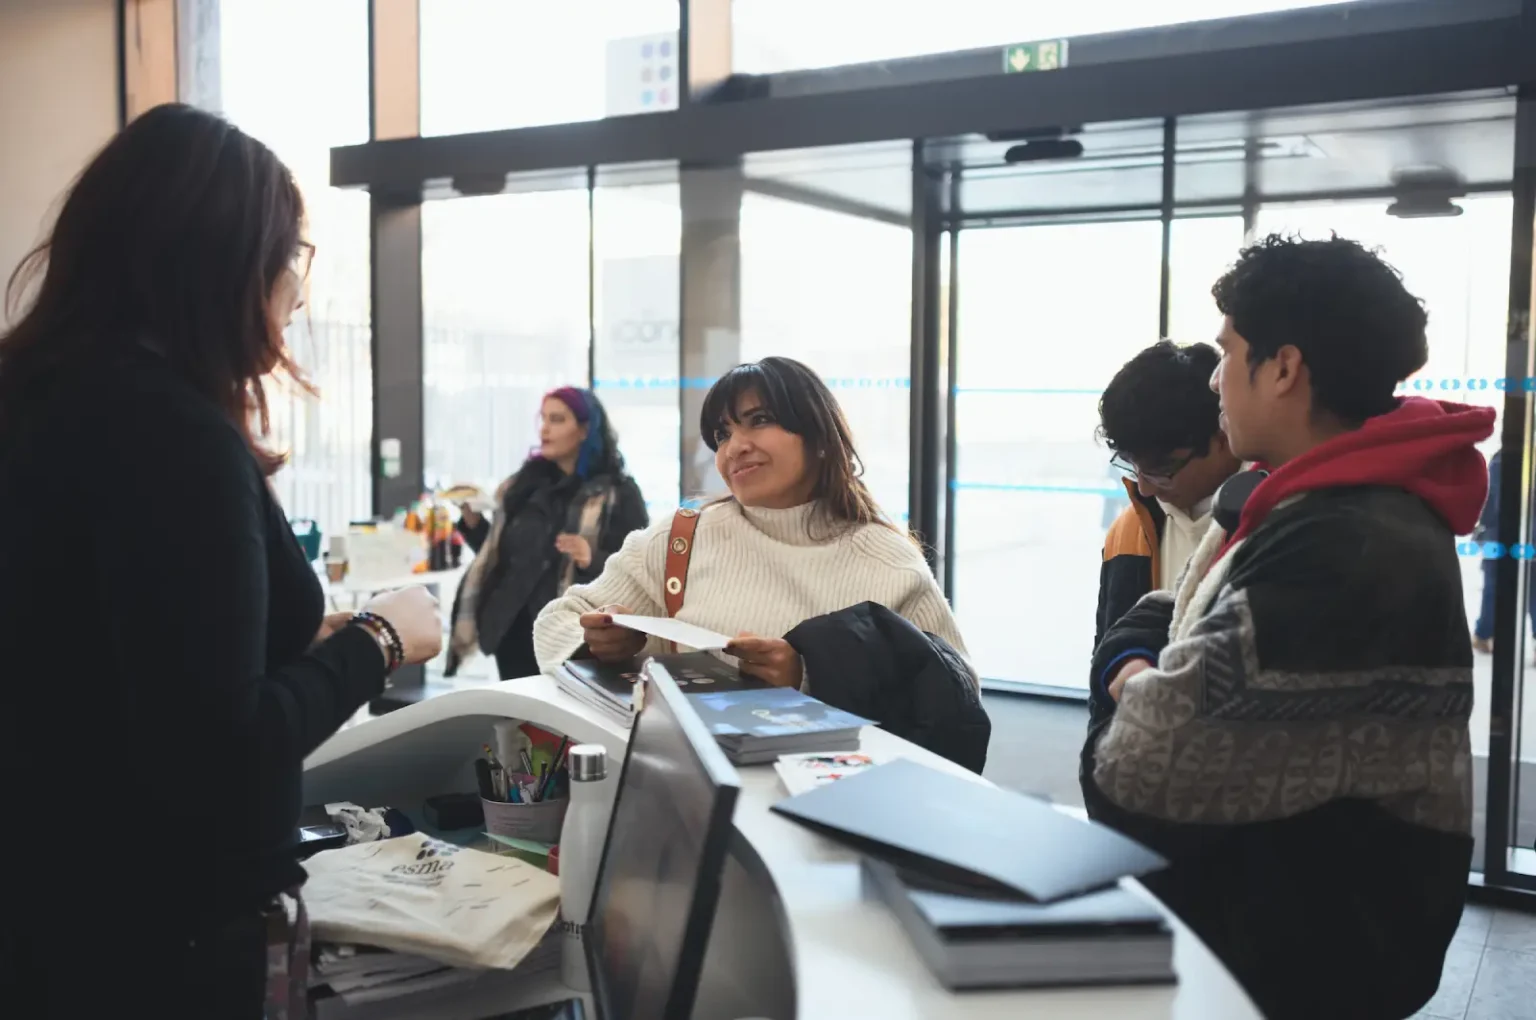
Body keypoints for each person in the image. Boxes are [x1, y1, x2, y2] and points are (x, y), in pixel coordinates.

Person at [0, 104, 443, 1017]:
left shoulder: (41, 397)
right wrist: (378, 640)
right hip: (154, 938)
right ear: (223, 262)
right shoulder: (169, 435)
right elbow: (215, 753)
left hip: (49, 906)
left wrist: (289, 639)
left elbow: (101, 652)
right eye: (291, 257)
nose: (295, 291)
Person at [1083, 234, 1488, 1019]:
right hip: (1288, 930)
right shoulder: (1306, 500)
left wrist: (1127, 672)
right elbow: (1175, 609)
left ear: (1284, 368)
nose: (1215, 377)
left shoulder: (1342, 542)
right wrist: (1144, 661)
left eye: (1229, 351)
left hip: (1310, 958)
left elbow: (1139, 771)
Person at [533, 356, 976, 693]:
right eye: (722, 434)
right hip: (687, 782)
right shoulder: (680, 539)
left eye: (759, 421)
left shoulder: (887, 560)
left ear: (820, 438)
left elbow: (956, 692)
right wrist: (596, 643)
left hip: (837, 784)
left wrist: (808, 676)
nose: (734, 448)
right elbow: (556, 622)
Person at [446, 387, 647, 679]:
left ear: (585, 430)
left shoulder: (618, 493)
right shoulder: (521, 487)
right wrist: (474, 524)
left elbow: (637, 569)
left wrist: (590, 558)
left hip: (572, 632)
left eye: (557, 419)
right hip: (511, 630)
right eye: (543, 419)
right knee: (516, 708)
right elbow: (502, 557)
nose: (544, 429)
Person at [1092, 340, 1241, 710]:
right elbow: (1105, 663)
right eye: (1131, 465)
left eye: (1161, 469)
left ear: (1222, 436)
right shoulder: (1130, 530)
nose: (1143, 487)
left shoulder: (1266, 521)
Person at [1472, 448, 1534, 653]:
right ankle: (1484, 634)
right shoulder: (1507, 459)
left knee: (1495, 586)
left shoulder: (1502, 458)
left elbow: (1491, 502)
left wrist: (1483, 530)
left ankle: (1484, 634)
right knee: (1531, 586)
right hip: (1521, 535)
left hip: (1500, 535)